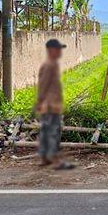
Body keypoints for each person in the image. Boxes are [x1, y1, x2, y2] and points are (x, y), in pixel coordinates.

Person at [35, 39, 74, 170]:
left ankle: (45, 158)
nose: (60, 52)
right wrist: (40, 101)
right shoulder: (50, 65)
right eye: (58, 49)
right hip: (51, 105)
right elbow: (43, 85)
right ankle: (54, 159)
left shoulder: (52, 64)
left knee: (46, 131)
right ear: (51, 50)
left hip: (51, 104)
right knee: (53, 131)